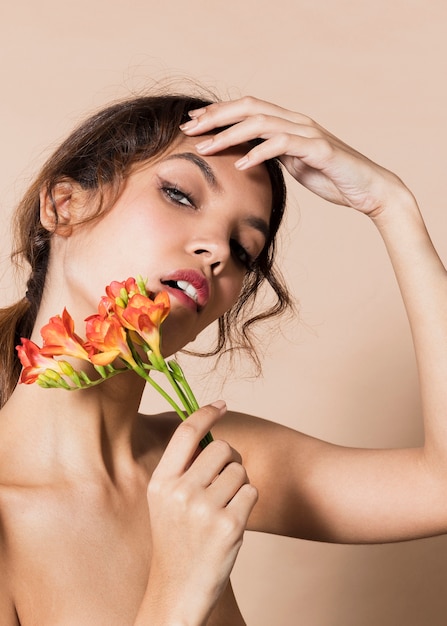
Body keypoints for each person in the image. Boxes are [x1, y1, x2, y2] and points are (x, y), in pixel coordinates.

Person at [0, 91, 446, 626]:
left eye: (243, 250)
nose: (215, 248)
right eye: (180, 195)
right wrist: (180, 586)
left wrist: (388, 204)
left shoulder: (205, 461)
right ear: (64, 205)